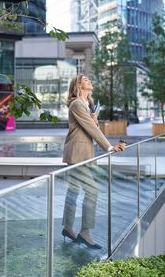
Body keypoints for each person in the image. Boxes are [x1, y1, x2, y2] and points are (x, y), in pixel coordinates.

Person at [62, 75, 125, 249]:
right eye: (86, 79)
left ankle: (68, 228)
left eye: (90, 79)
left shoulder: (86, 105)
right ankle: (85, 232)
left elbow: (90, 127)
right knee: (92, 191)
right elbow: (90, 129)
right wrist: (109, 147)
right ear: (78, 84)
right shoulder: (77, 104)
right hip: (78, 154)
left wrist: (94, 120)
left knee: (73, 191)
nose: (90, 81)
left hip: (82, 153)